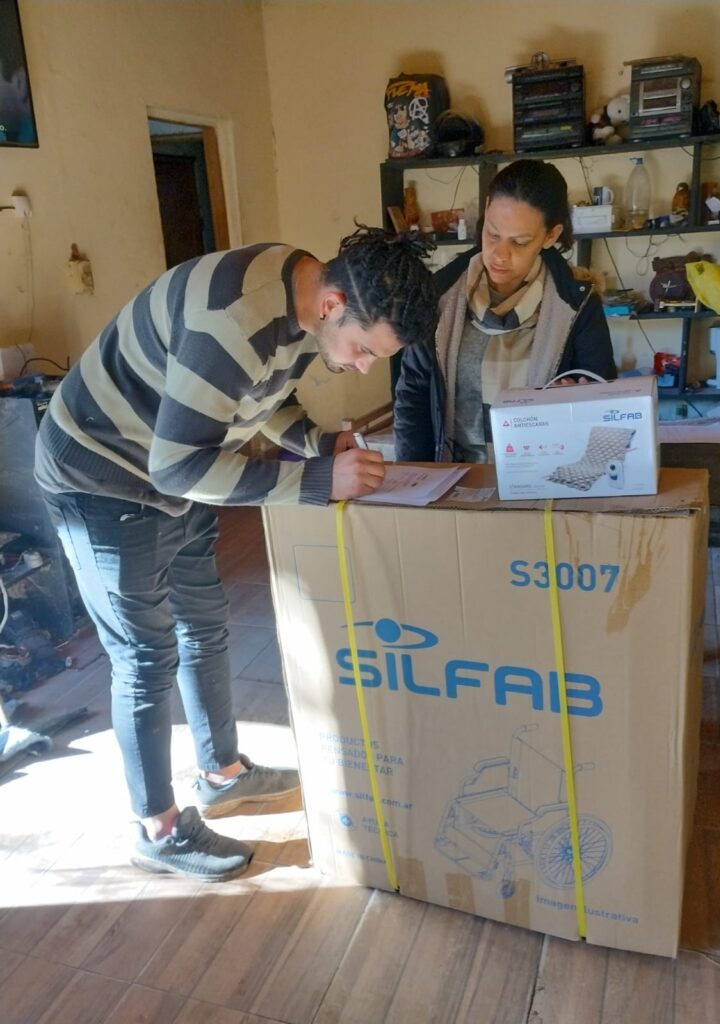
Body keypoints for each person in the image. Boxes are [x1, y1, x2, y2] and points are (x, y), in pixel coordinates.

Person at [35, 227, 438, 881]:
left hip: (181, 462)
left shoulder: (302, 291)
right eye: (365, 350)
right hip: (101, 472)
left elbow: (265, 397)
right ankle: (158, 829)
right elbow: (175, 467)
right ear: (333, 303)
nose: (366, 367)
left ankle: (222, 775)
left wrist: (319, 445)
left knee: (203, 623)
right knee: (144, 655)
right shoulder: (236, 320)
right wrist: (317, 481)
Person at [394, 158, 617, 463]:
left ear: (550, 236)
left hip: (545, 475)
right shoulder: (440, 297)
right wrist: (416, 476)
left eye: (520, 242)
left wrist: (575, 401)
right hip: (456, 476)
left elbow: (604, 405)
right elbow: (413, 399)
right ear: (486, 210)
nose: (500, 254)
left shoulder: (576, 307)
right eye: (493, 234)